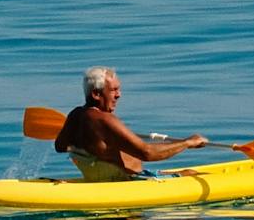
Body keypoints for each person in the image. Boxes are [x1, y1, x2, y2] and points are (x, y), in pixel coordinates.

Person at [54, 66, 206, 181]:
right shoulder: (105, 120)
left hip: (97, 180)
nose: (119, 95)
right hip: (128, 182)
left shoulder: (75, 115)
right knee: (193, 175)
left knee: (186, 172)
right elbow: (147, 153)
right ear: (96, 94)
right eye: (113, 90)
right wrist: (187, 143)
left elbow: (60, 146)